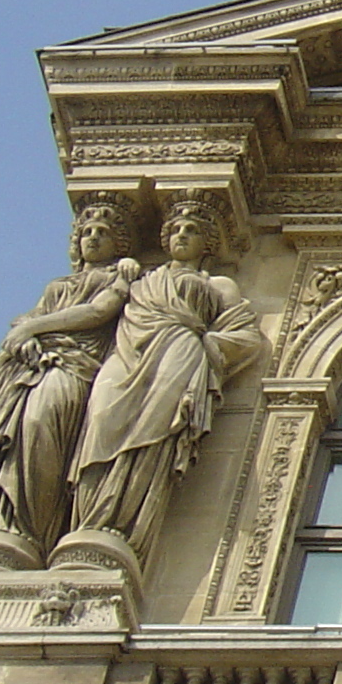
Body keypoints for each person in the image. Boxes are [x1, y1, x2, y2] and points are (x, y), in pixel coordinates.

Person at [66, 199, 263, 566]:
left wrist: (206, 346)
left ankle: (118, 525)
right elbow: (95, 309)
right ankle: (87, 519)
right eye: (175, 229)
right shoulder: (139, 277)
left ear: (207, 243)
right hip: (125, 354)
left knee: (152, 436)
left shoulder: (217, 284)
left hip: (179, 353)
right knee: (101, 420)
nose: (182, 235)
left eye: (192, 230)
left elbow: (246, 337)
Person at [0, 201, 138, 562]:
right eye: (87, 232)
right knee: (21, 438)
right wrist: (25, 335)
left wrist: (33, 328)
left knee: (39, 424)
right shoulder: (57, 286)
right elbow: (22, 325)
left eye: (103, 234)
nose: (93, 238)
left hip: (73, 368)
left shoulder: (116, 278)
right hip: (36, 368)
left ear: (119, 245)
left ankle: (37, 526)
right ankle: (18, 530)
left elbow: (98, 311)